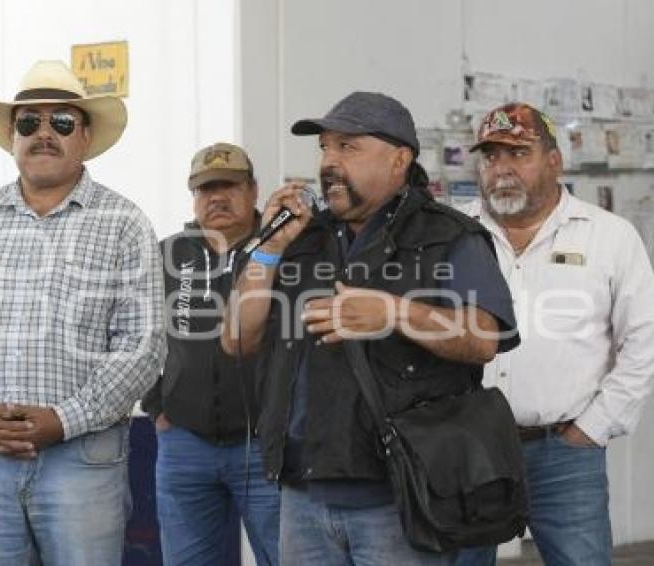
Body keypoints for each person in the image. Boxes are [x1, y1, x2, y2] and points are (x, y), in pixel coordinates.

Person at [220, 91, 520, 565]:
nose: (329, 162)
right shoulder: (303, 238)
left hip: (398, 495)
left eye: (348, 148)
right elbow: (237, 337)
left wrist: (394, 314)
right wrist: (269, 249)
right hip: (301, 495)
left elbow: (483, 338)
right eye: (324, 148)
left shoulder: (449, 235)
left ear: (399, 159)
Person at [0, 60, 166, 565]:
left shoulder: (124, 224)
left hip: (83, 460)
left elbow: (142, 345)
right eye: (28, 122)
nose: (43, 134)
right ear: (12, 137)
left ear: (85, 136)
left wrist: (63, 420)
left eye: (61, 122)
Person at [455, 103, 654, 566]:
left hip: (564, 454)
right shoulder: (454, 232)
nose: (502, 169)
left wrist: (593, 428)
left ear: (555, 161)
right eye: (491, 156)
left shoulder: (608, 236)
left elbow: (646, 340)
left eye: (519, 154)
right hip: (467, 451)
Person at [141, 143, 280, 565]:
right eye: (205, 189)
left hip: (265, 447)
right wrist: (156, 404)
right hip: (184, 444)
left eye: (230, 186)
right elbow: (133, 335)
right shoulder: (168, 254)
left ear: (253, 190)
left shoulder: (282, 250)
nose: (216, 197)